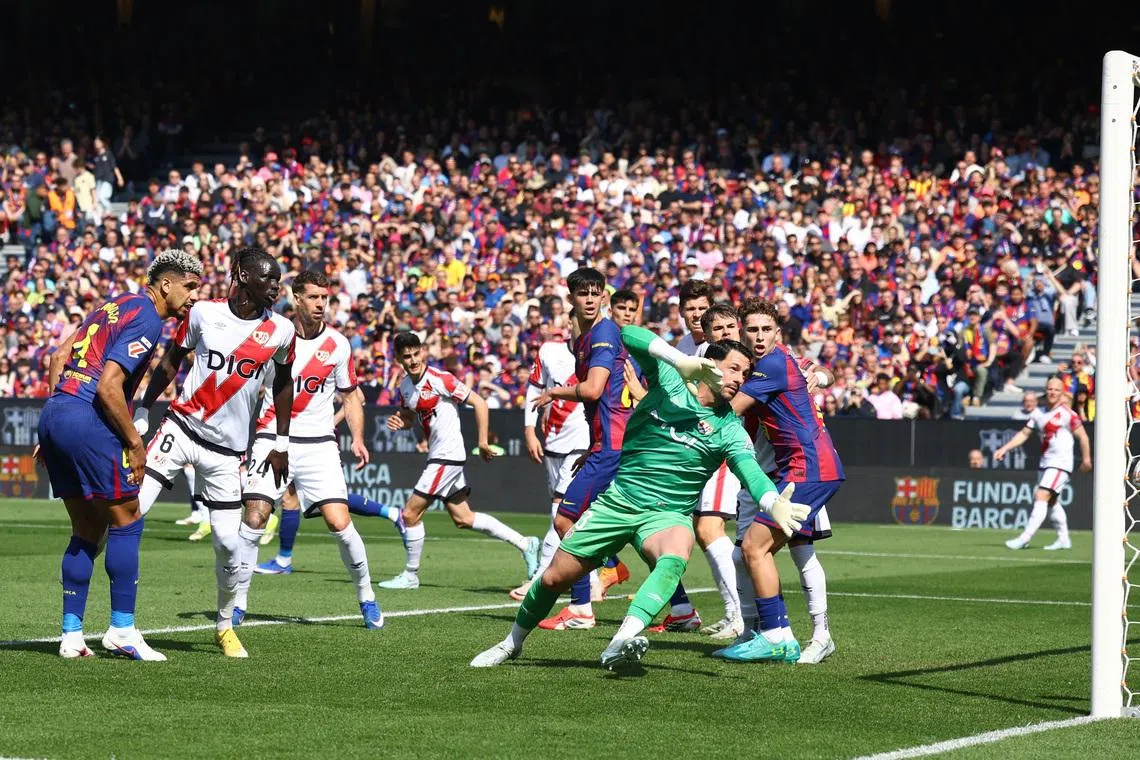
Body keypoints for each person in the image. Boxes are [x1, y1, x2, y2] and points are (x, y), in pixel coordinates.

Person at [469, 326, 810, 669]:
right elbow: (627, 334)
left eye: (746, 374)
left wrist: (772, 503)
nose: (741, 379)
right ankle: (511, 643)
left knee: (676, 554)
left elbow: (750, 472)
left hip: (668, 514)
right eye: (735, 368)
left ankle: (622, 639)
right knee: (553, 578)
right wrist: (679, 359)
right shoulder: (671, 382)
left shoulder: (730, 428)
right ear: (710, 364)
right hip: (618, 502)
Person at [37, 249, 203, 659]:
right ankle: (122, 630)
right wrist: (133, 441)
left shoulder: (112, 305)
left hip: (56, 412)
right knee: (128, 519)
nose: (194, 296)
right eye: (190, 286)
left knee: (87, 528)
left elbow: (58, 356)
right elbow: (110, 387)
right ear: (166, 283)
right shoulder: (146, 315)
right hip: (87, 415)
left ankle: (71, 636)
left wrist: (60, 417)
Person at [133, 246, 298, 658]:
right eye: (269, 278)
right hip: (181, 428)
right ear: (242, 275)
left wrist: (281, 441)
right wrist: (142, 408)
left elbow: (283, 383)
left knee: (228, 544)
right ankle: (110, 621)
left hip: (227, 453)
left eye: (278, 281)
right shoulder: (203, 313)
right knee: (131, 511)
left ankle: (224, 626)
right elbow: (172, 360)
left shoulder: (280, 330)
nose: (276, 287)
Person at [235, 271, 383, 629]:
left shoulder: (338, 344)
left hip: (319, 444)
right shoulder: (274, 335)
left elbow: (350, 397)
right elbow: (245, 387)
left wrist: (358, 439)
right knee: (254, 519)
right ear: (296, 298)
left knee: (339, 522)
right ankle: (236, 605)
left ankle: (367, 597)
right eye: (314, 297)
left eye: (325, 298)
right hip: (272, 438)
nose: (321, 304)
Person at [715, 299, 845, 663]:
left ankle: (790, 634)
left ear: (777, 332)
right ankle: (770, 632)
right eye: (751, 330)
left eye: (765, 329)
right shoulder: (760, 363)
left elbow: (731, 410)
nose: (758, 336)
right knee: (755, 553)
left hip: (807, 468)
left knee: (760, 550)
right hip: (788, 470)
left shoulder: (773, 362)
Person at [377, 331, 540, 589]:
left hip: (447, 457)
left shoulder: (440, 379)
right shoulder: (405, 386)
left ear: (423, 352)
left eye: (416, 354)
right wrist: (402, 422)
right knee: (464, 518)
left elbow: (479, 402)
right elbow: (410, 416)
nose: (413, 360)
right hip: (438, 455)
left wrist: (483, 441)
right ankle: (526, 543)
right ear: (398, 358)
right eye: (406, 357)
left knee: (409, 514)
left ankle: (411, 574)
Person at [528, 268, 639, 630]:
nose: (590, 299)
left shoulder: (604, 333)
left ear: (604, 297)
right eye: (583, 293)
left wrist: (555, 392)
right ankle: (681, 607)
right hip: (607, 444)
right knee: (636, 529)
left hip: (613, 445)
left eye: (596, 293)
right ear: (571, 298)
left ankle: (580, 607)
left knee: (566, 520)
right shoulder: (584, 337)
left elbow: (592, 391)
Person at [994, 376, 1091, 551]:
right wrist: (1004, 449)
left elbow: (1083, 436)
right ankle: (1063, 539)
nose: (1052, 392)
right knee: (1052, 501)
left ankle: (1024, 538)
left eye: (1056, 390)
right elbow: (1024, 434)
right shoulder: (1038, 413)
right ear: (1046, 391)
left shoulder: (1068, 414)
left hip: (1060, 463)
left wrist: (1086, 459)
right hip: (1046, 462)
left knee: (1041, 496)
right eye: (1050, 389)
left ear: (1062, 393)